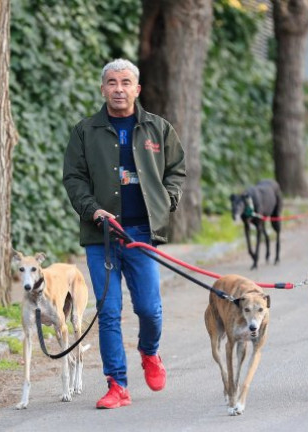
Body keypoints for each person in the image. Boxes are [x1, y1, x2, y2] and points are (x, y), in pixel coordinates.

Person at [62, 58, 186, 409]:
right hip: (101, 237)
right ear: (103, 88)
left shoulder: (158, 129)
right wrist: (91, 209)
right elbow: (73, 177)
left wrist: (168, 201)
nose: (119, 89)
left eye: (126, 82)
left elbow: (177, 170)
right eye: (112, 82)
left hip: (142, 234)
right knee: (109, 311)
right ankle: (117, 385)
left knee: (149, 308)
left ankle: (149, 352)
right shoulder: (85, 131)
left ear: (137, 89)